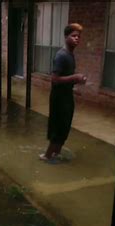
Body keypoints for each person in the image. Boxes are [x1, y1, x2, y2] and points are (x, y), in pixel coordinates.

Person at [40, 23, 86, 162]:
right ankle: (47, 156)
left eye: (78, 36)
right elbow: (54, 79)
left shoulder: (71, 54)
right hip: (59, 99)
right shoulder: (61, 56)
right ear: (66, 37)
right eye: (73, 36)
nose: (76, 39)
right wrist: (75, 77)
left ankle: (56, 154)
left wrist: (75, 84)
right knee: (58, 126)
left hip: (67, 96)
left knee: (65, 125)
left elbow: (66, 78)